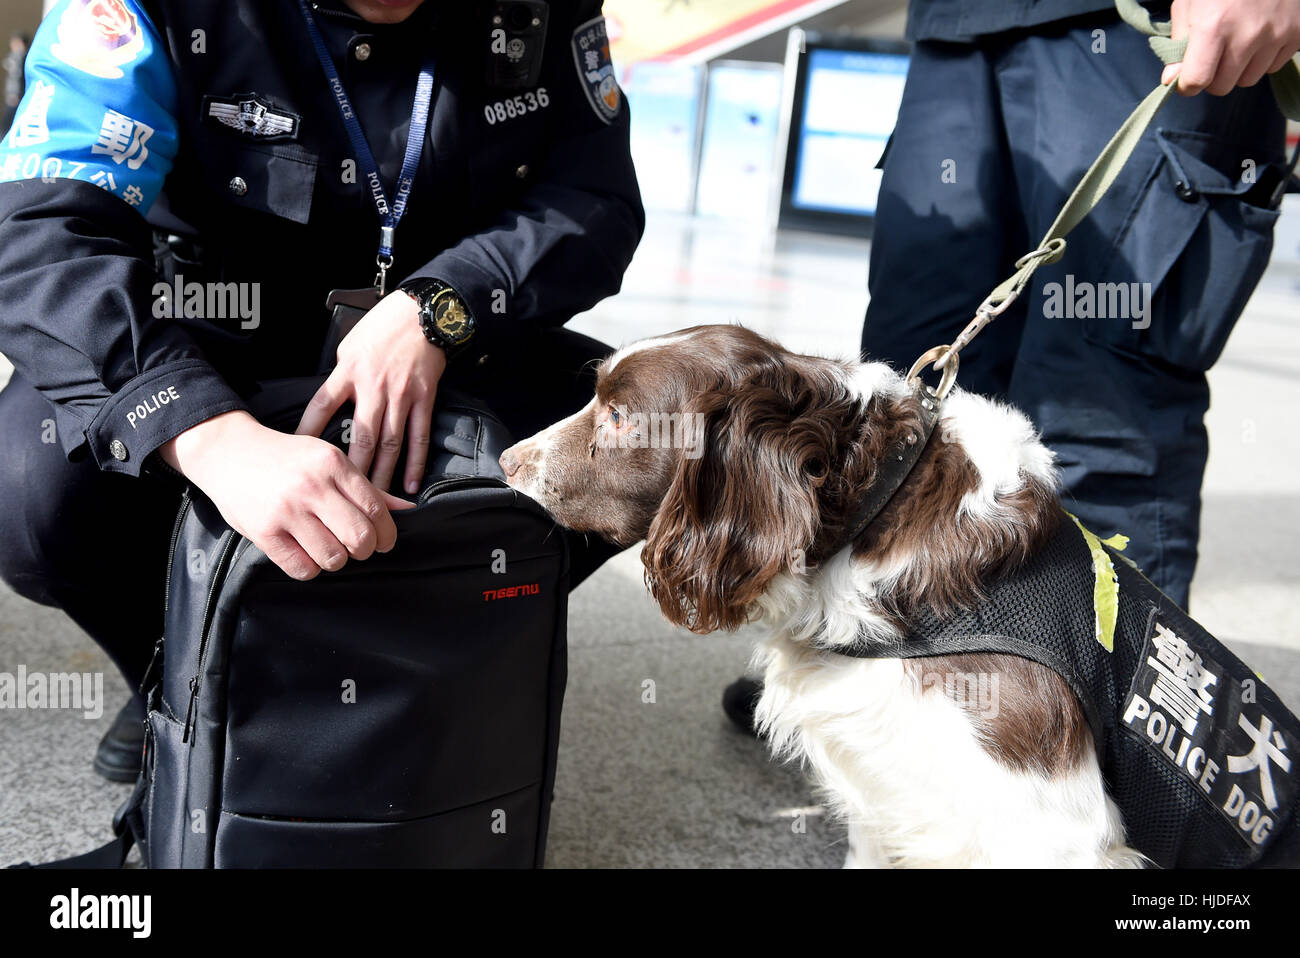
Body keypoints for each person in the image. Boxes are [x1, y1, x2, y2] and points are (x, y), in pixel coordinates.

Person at [0, 0, 643, 781]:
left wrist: (444, 306)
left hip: (448, 347)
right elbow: (37, 231)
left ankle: (411, 677)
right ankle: (176, 665)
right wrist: (207, 435)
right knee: (35, 490)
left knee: (636, 448)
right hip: (211, 340)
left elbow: (596, 197)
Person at [725, 0, 1298, 733]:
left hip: (1136, 26)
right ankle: (898, 679)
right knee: (913, 383)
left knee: (1099, 398)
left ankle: (1102, 735)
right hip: (958, 23)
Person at [1, 32, 29, 135]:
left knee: (9, 124)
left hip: (15, 96)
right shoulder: (18, 57)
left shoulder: (20, 57)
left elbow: (16, 77)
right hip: (15, 95)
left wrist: (14, 94)